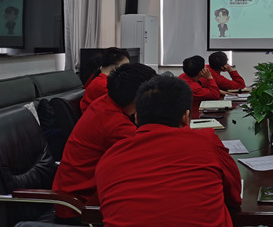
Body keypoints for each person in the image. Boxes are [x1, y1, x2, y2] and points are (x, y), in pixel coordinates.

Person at [95, 75, 242, 227]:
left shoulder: (110, 157)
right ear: (186, 117)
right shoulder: (206, 142)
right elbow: (235, 197)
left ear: (136, 117)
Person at [52, 63, 156, 222]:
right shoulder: (116, 125)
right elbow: (151, 155)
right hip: (78, 207)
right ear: (139, 97)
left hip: (84, 194)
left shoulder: (104, 102)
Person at [80, 47, 130, 113]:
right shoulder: (104, 85)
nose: (128, 71)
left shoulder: (102, 79)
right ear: (116, 68)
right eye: (126, 68)